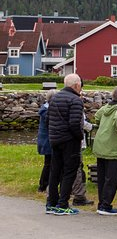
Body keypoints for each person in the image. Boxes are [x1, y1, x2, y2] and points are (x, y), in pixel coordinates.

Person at [45, 74, 85, 215]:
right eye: (80, 84)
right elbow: (74, 123)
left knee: (55, 171)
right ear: (76, 85)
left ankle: (51, 203)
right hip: (69, 141)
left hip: (55, 139)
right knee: (69, 172)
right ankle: (63, 204)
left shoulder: (55, 97)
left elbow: (47, 119)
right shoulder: (75, 100)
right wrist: (80, 137)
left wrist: (53, 133)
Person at [92, 85, 117, 215]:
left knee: (102, 176)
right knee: (112, 177)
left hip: (100, 143)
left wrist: (103, 125)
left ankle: (101, 203)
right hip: (113, 145)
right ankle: (106, 205)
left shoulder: (107, 106)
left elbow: (97, 116)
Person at [37, 89, 56, 193]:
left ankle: (45, 184)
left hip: (46, 139)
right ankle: (43, 185)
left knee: (49, 163)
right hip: (47, 140)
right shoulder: (46, 111)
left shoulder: (45, 109)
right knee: (48, 163)